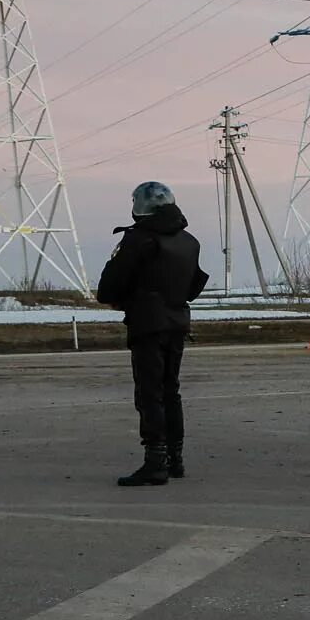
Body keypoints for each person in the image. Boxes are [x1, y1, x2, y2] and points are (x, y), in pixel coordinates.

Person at [97, 182, 208, 488]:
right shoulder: (189, 241)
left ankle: (155, 462)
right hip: (177, 321)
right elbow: (194, 286)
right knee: (171, 391)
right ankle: (175, 458)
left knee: (149, 392)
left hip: (148, 323)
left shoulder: (138, 240)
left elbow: (109, 286)